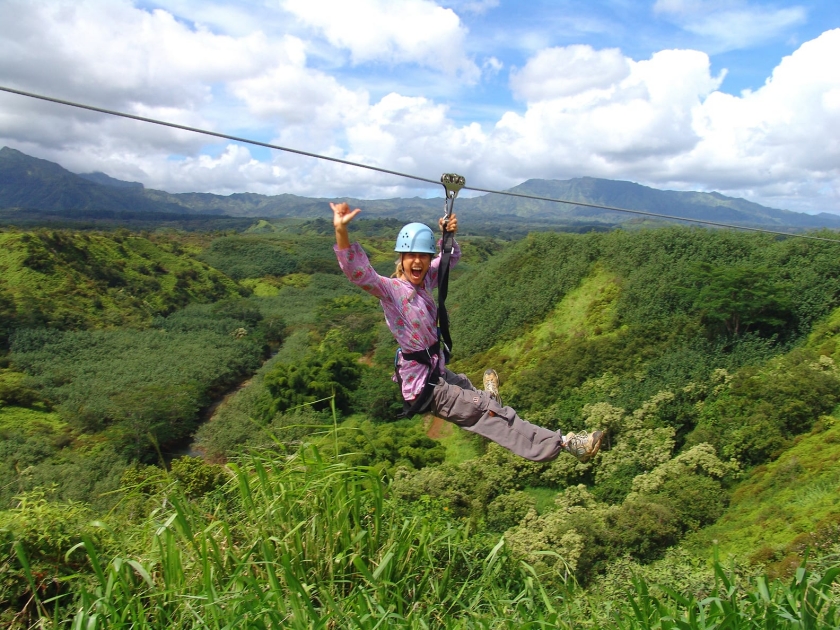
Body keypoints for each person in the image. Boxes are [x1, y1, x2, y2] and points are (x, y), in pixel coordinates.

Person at [330, 201, 603, 463]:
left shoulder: (424, 283)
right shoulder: (391, 291)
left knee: (464, 385)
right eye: (411, 256)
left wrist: (447, 236)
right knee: (492, 415)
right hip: (425, 386)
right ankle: (564, 444)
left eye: (423, 257)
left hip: (434, 373)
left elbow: (450, 259)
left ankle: (487, 399)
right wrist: (341, 231)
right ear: (401, 258)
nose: (418, 262)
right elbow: (360, 274)